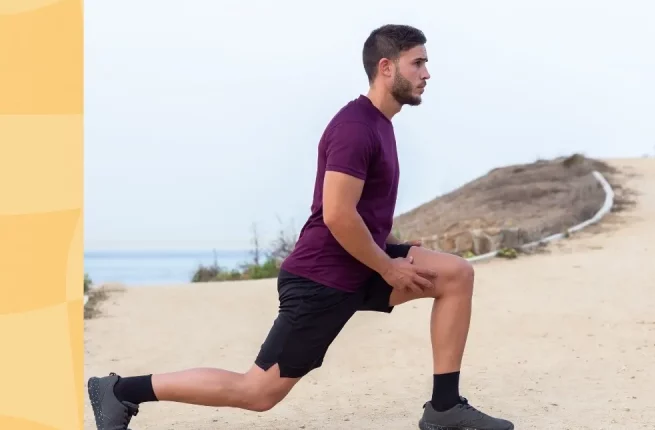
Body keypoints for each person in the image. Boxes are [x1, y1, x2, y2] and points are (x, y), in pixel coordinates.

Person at [87, 24, 515, 430]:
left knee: (455, 274)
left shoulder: (380, 126)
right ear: (386, 67)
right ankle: (122, 390)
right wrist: (388, 266)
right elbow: (337, 215)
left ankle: (443, 407)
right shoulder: (355, 127)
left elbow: (357, 215)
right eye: (417, 63)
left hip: (358, 266)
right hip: (322, 278)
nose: (426, 74)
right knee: (256, 392)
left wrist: (392, 249)